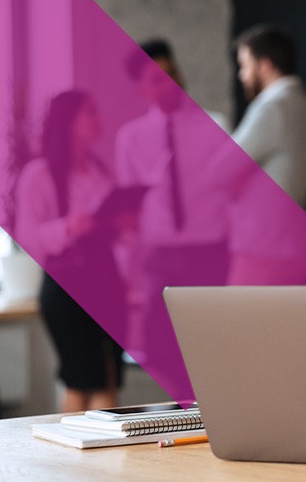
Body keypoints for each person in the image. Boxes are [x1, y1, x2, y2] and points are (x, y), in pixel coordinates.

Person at [116, 39, 235, 366]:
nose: (169, 84)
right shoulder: (130, 140)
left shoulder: (216, 126)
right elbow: (129, 208)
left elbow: (234, 195)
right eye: (157, 78)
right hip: (160, 258)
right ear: (140, 88)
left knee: (214, 349)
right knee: (159, 350)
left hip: (210, 253)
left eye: (172, 73)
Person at [16, 90, 125, 412]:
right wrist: (69, 227)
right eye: (90, 113)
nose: (98, 120)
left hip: (106, 280)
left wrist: (123, 225)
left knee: (108, 377)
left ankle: (107, 460)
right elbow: (28, 235)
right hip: (66, 287)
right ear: (69, 122)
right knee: (81, 378)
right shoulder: (39, 174)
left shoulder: (100, 171)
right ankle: (70, 457)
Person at [228, 25, 306, 284]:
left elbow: (220, 170)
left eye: (245, 65)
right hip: (290, 243)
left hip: (265, 246)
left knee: (240, 322)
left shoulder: (273, 107)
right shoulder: (303, 105)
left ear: (265, 65)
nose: (242, 75)